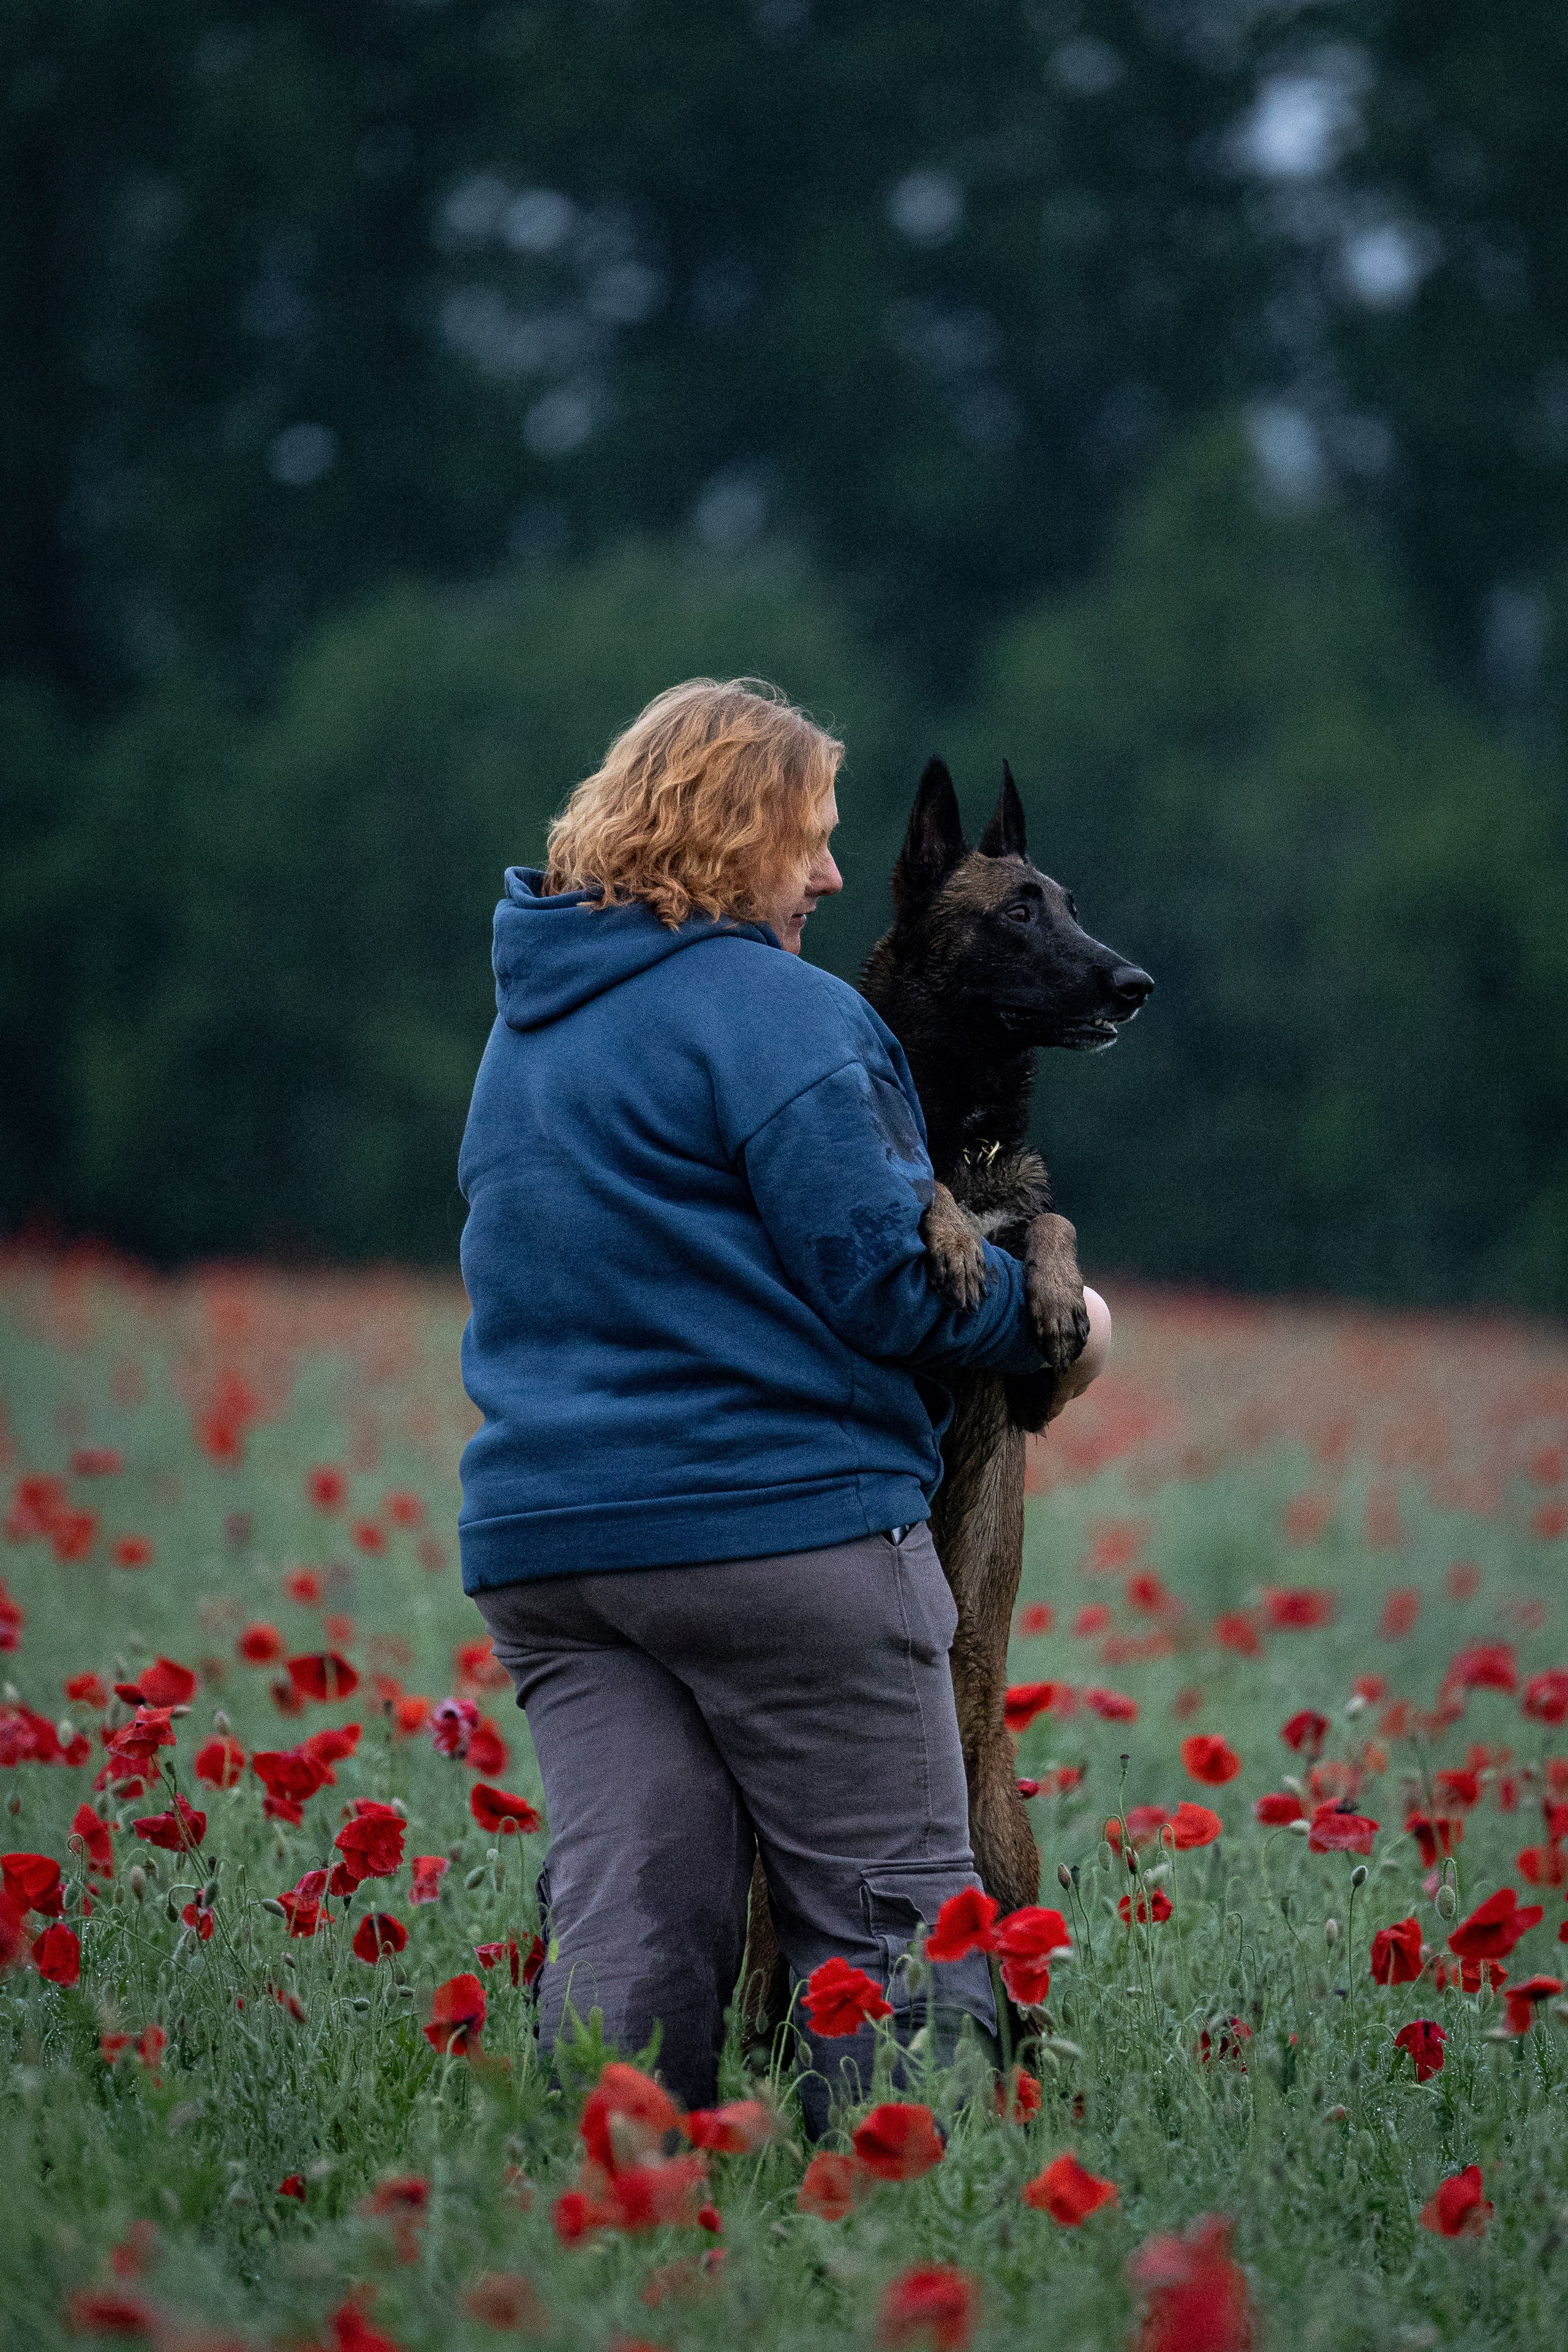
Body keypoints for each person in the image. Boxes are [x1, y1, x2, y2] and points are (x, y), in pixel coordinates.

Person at [456, 677, 1108, 2114]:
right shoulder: (777, 1013)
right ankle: (901, 2223)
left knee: (633, 1916)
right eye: (807, 837)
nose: (827, 873)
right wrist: (1066, 1327)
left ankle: (608, 2231)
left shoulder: (527, 1033)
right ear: (728, 832)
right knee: (892, 1923)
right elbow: (888, 1284)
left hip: (552, 1551)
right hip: (773, 1536)